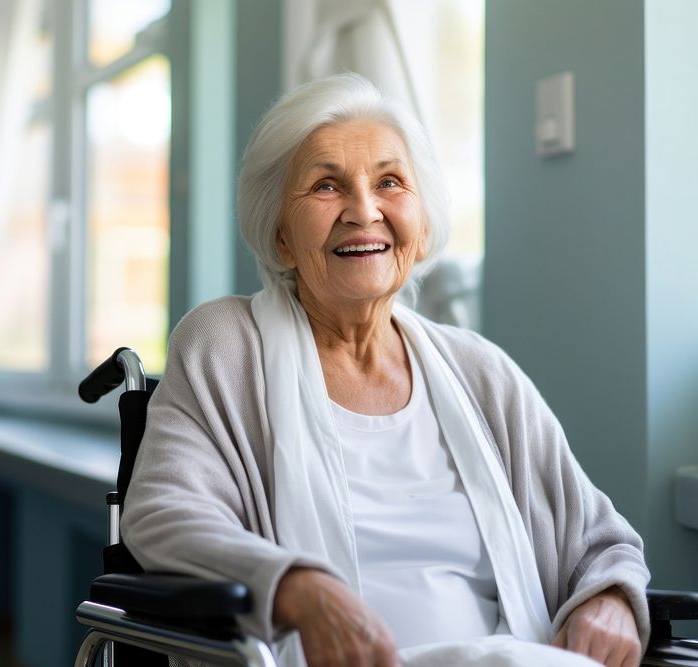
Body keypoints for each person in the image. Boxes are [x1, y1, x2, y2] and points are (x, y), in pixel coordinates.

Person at [120, 73, 649, 667]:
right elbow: (164, 511)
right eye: (326, 185)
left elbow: (600, 540)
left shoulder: (481, 372)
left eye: (390, 182)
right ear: (282, 238)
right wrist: (301, 590)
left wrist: (609, 598)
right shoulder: (227, 346)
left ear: (420, 229)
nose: (364, 210)